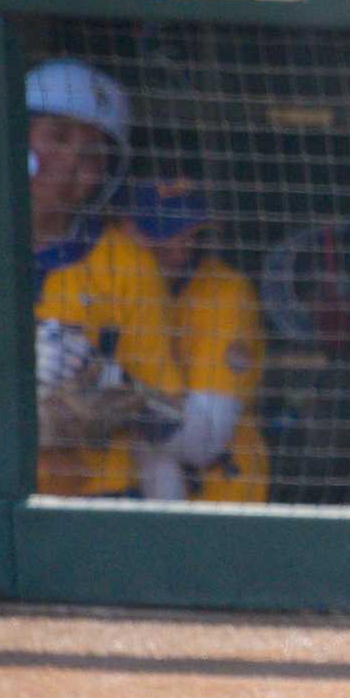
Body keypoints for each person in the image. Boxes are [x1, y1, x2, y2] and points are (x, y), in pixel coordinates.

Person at [26, 57, 186, 499]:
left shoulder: (127, 263)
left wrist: (105, 394)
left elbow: (171, 410)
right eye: (57, 137)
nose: (73, 163)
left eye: (93, 153)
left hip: (98, 498)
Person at [125, 179, 270, 503]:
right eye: (163, 235)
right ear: (127, 231)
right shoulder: (111, 284)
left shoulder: (224, 293)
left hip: (222, 495)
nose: (180, 250)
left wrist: (119, 393)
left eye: (189, 234)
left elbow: (207, 441)